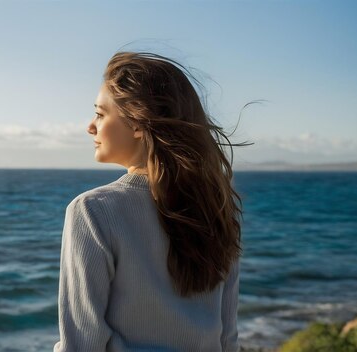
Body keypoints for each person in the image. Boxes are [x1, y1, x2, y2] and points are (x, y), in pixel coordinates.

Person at [53, 51, 247, 352]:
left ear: (138, 123)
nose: (90, 127)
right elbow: (227, 339)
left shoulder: (92, 211)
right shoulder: (217, 210)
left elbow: (81, 344)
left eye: (101, 114)